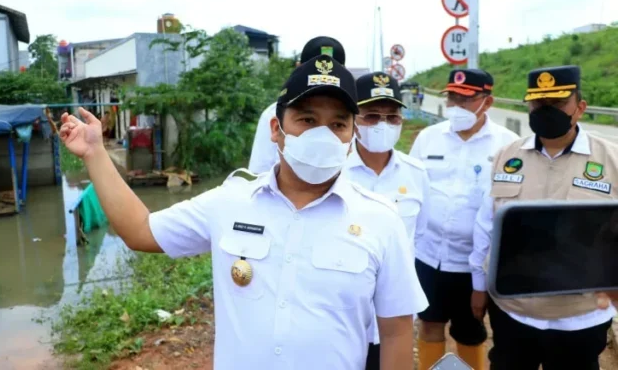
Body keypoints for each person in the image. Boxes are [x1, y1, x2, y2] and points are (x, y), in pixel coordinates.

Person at [59, 54, 428, 370]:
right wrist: (95, 153)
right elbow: (140, 230)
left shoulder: (381, 220)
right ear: (277, 129)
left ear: (351, 138)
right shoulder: (230, 202)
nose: (324, 136)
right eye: (307, 120)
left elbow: (395, 332)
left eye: (337, 125)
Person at [470, 65, 618, 369]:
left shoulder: (612, 160)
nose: (545, 111)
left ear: (579, 108)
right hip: (513, 312)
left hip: (580, 316)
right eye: (538, 104)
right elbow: (487, 226)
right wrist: (478, 285)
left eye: (556, 103)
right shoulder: (507, 156)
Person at [408, 69, 519, 370]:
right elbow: (411, 193)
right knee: (429, 324)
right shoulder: (428, 138)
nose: (456, 106)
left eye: (466, 99)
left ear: (488, 101)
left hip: (474, 263)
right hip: (429, 256)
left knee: (470, 331)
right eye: (452, 98)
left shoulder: (508, 146)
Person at [344, 71, 431, 370]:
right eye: (372, 116)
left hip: (392, 316)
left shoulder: (416, 173)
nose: (382, 124)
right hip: (341, 311)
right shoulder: (333, 171)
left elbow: (419, 236)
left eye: (392, 117)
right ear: (353, 118)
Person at [248, 36, 346, 174]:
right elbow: (259, 170)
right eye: (307, 120)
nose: (324, 75)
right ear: (298, 67)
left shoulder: (357, 116)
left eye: (337, 124)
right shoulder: (273, 114)